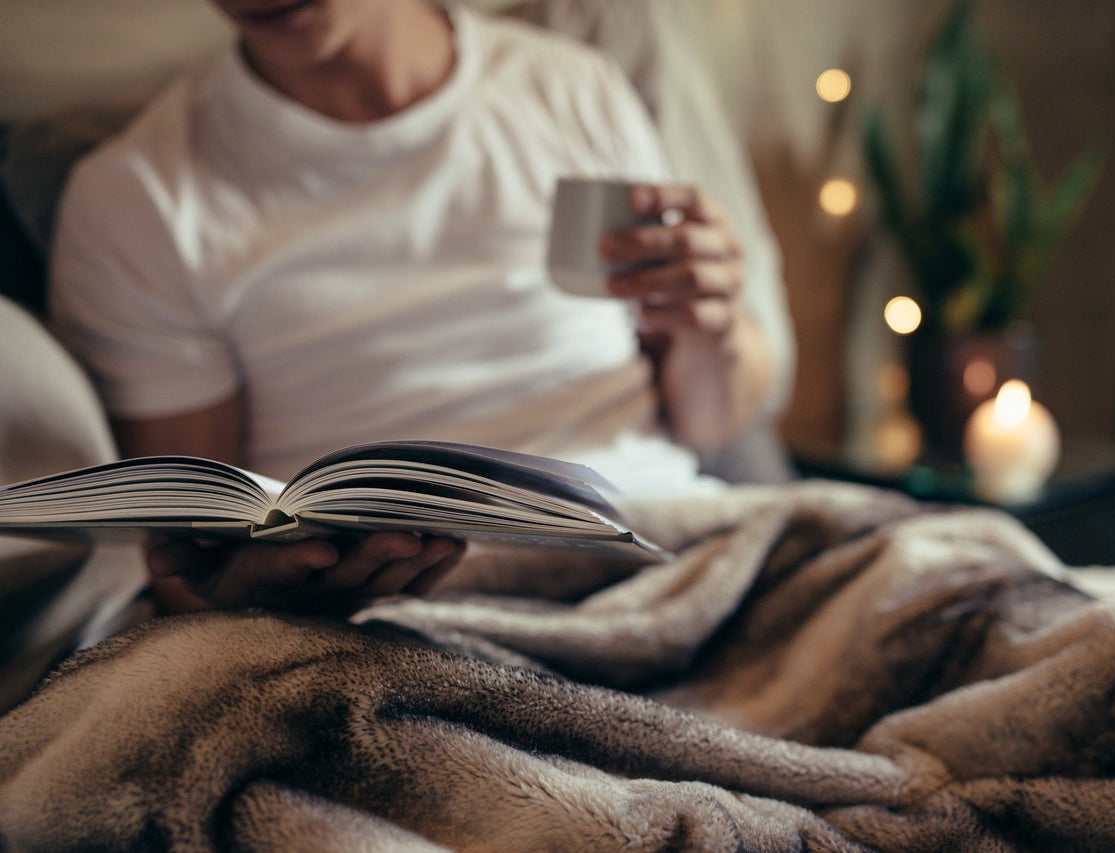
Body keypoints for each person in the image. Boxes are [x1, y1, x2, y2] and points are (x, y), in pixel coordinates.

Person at [49, 0, 781, 615]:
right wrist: (262, 587)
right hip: (414, 609)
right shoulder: (139, 197)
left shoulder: (568, 88)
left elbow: (713, 421)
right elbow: (196, 562)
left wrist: (712, 325)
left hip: (665, 547)